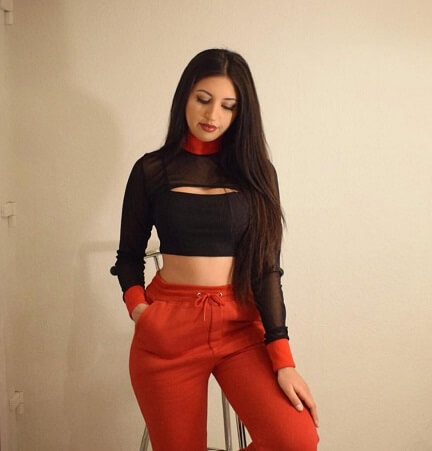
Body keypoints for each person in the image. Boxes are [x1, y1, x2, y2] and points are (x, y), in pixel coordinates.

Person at [114, 48, 319, 450]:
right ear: (185, 97)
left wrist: (283, 359)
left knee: (295, 440)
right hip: (168, 327)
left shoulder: (257, 174)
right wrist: (141, 312)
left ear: (241, 112)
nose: (213, 115)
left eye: (228, 106)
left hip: (240, 325)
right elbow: (128, 258)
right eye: (203, 99)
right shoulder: (152, 169)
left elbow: (266, 269)